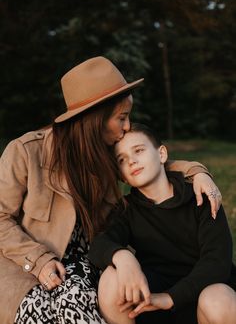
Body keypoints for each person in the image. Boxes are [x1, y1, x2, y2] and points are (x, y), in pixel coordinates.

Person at [0, 57, 222, 324]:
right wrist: (39, 261)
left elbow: (150, 163)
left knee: (75, 299)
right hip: (25, 265)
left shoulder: (106, 154)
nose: (127, 126)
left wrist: (197, 172)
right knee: (39, 311)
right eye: (122, 118)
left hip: (87, 262)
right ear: (95, 119)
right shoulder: (26, 152)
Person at [88, 122, 236, 324]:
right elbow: (99, 244)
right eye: (122, 159)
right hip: (154, 301)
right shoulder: (126, 210)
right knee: (111, 278)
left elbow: (218, 262)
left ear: (162, 154)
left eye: (138, 150)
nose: (131, 161)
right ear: (121, 175)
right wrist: (122, 256)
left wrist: (171, 298)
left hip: (203, 294)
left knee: (216, 298)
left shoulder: (199, 196)